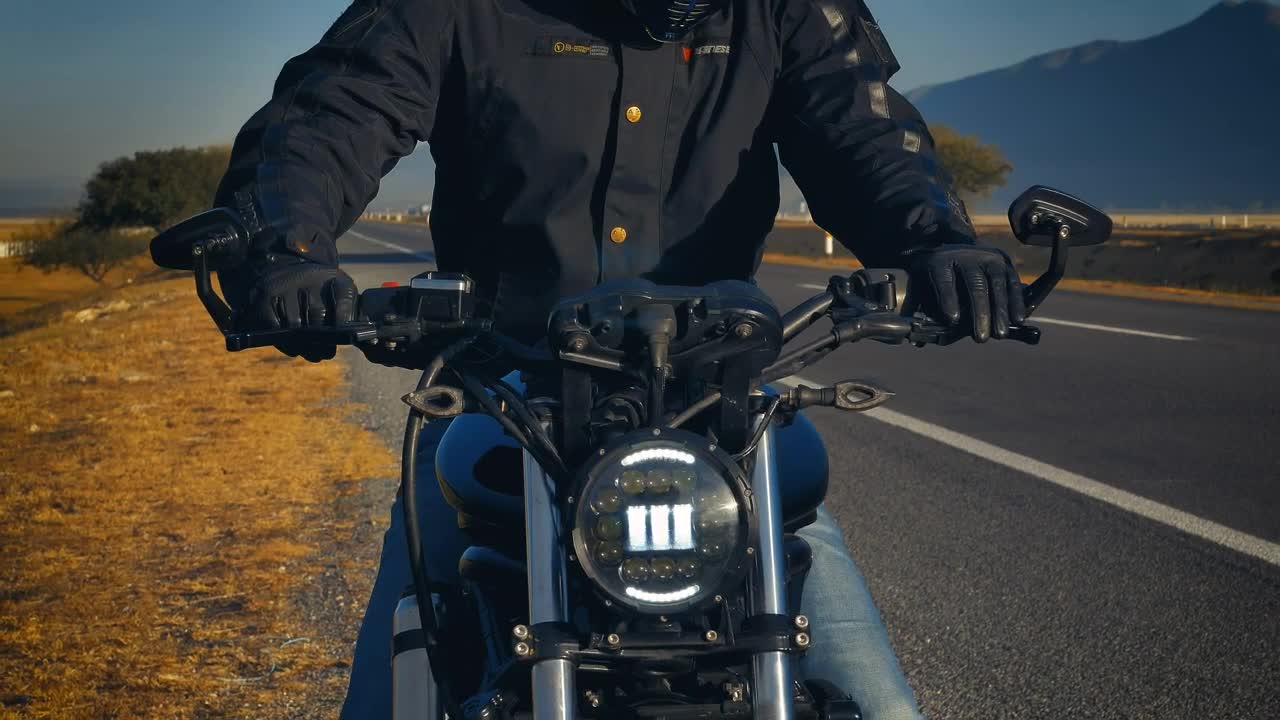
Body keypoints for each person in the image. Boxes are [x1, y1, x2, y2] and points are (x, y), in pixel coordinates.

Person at [214, 0, 1026, 717]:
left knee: (877, 701)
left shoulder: (783, 11)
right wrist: (284, 250)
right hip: (498, 389)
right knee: (390, 687)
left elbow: (864, 128)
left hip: (717, 409)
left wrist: (939, 247)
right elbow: (333, 112)